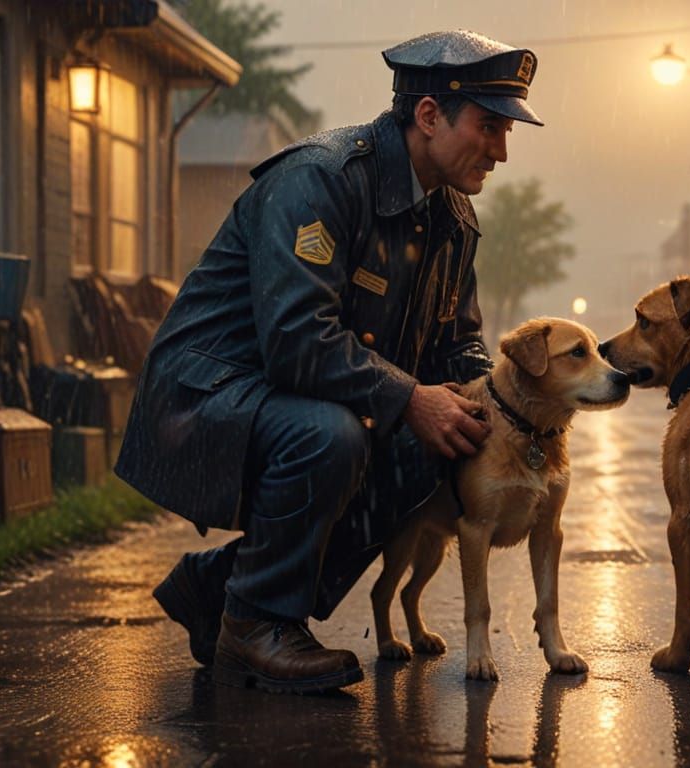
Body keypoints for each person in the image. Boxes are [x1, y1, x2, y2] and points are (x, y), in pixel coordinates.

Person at [115, 30, 544, 694]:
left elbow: (456, 344)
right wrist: (408, 398)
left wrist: (504, 406)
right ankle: (255, 623)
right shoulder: (320, 180)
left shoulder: (453, 218)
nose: (503, 151)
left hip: (294, 396)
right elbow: (296, 340)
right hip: (206, 398)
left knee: (438, 448)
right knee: (335, 436)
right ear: (429, 116)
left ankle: (220, 586)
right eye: (490, 126)